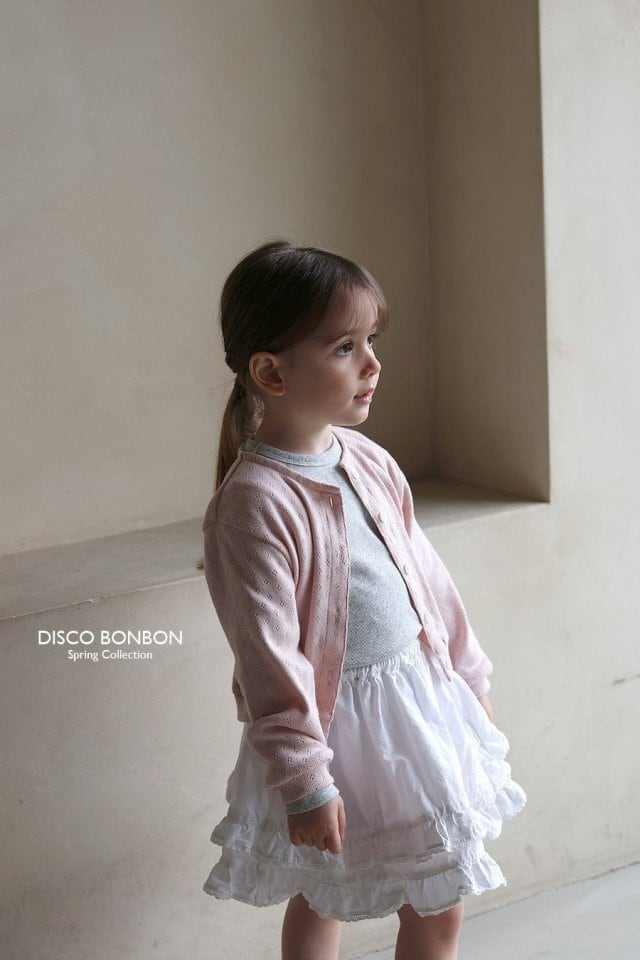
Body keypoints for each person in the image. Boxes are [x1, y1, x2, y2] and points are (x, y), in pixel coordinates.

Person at [201, 238, 527, 960]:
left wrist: (468, 676)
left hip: (412, 707)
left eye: (372, 341)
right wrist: (304, 782)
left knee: (437, 898)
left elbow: (427, 579)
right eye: (345, 347)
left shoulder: (367, 459)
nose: (373, 364)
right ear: (271, 372)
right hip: (332, 728)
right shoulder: (254, 504)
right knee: (323, 889)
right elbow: (267, 657)